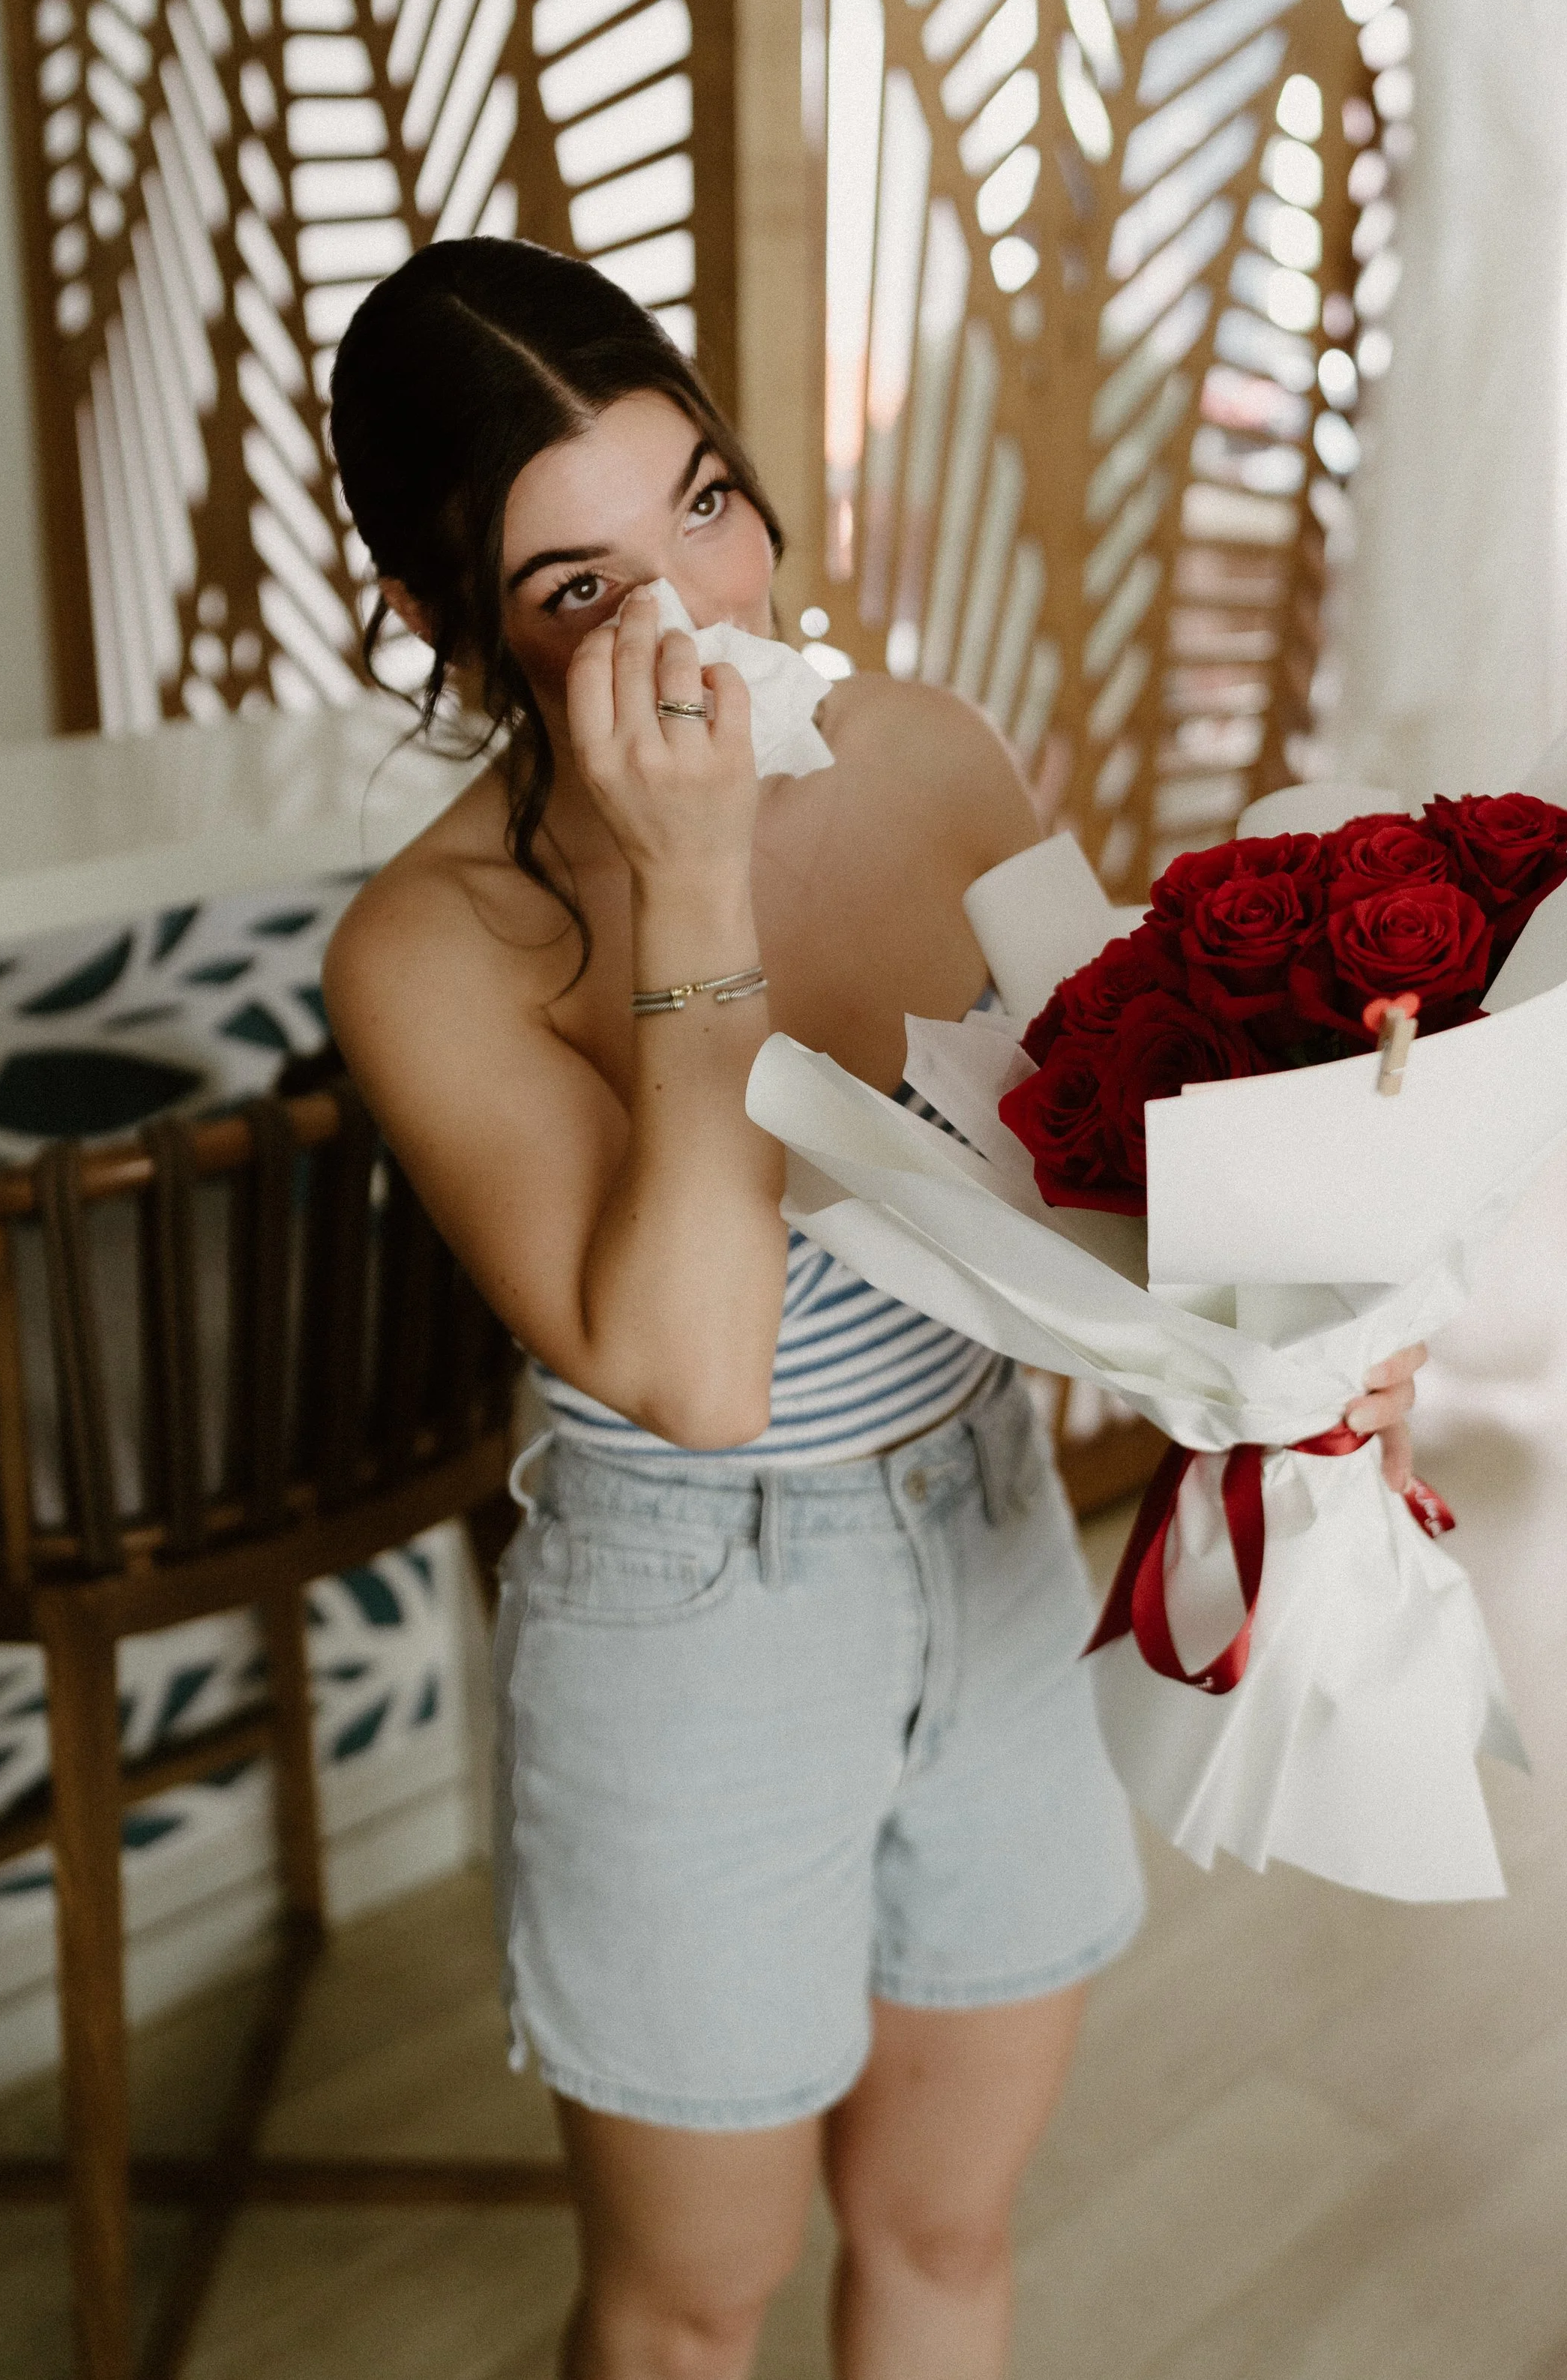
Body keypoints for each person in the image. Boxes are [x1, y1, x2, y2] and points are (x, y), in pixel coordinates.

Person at [322, 239, 1424, 2380]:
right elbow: (695, 1375)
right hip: (695, 1623)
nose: (690, 619)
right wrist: (699, 882)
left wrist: (1321, 1288)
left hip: (990, 1540)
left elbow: (1123, 1149)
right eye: (574, 588)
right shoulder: (429, 946)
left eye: (705, 505)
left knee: (941, 2232)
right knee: (686, 2307)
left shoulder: (925, 751)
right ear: (440, 625)